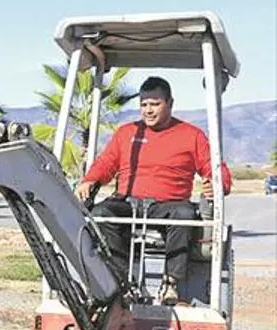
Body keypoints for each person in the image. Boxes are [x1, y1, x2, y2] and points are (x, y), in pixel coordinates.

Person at [75, 76, 232, 304]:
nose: (148, 110)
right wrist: (90, 180)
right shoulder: (127, 133)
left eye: (155, 104)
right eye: (144, 104)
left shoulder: (192, 135)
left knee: (184, 215)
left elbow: (215, 168)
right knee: (101, 213)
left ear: (170, 103)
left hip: (169, 205)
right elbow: (106, 163)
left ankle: (170, 283)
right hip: (128, 203)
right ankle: (119, 281)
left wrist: (217, 184)